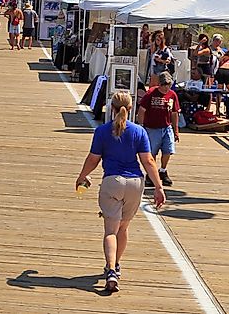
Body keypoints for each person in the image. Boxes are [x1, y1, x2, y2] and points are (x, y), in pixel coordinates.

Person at [74, 90, 167, 293]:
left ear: (112, 107)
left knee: (110, 231)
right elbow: (148, 161)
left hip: (112, 182)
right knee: (123, 229)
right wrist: (159, 187)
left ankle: (111, 272)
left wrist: (82, 177)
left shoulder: (102, 131)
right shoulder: (139, 131)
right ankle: (116, 264)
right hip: (135, 183)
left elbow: (93, 159)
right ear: (131, 108)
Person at [137, 72, 180, 186]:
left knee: (168, 150)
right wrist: (142, 126)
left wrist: (176, 129)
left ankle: (163, 171)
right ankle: (151, 174)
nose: (166, 87)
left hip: (166, 127)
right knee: (152, 152)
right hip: (152, 127)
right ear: (159, 84)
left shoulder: (172, 95)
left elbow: (175, 113)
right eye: (164, 85)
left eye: (169, 85)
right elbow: (142, 110)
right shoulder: (151, 93)